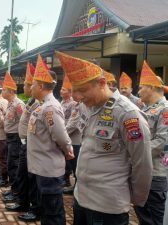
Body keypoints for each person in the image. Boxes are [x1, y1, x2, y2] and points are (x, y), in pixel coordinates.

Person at [56, 51, 153, 225]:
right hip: (82, 198)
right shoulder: (86, 106)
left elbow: (142, 163)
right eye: (74, 91)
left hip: (107, 206)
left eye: (82, 90)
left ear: (102, 83)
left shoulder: (127, 114)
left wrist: (133, 198)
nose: (76, 97)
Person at [20, 55, 74, 224]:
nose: (31, 88)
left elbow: (60, 136)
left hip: (49, 168)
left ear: (41, 86)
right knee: (47, 210)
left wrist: (68, 150)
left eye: (33, 85)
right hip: (41, 167)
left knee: (53, 212)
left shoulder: (50, 107)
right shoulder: (42, 105)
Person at [135, 60, 168, 225]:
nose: (138, 91)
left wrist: (137, 154)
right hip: (143, 169)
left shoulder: (165, 109)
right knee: (143, 214)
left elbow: (162, 141)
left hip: (156, 171)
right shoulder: (146, 109)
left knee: (154, 218)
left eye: (141, 87)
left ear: (153, 87)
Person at [6, 61, 38, 213]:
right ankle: (22, 200)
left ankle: (27, 203)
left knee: (27, 176)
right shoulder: (31, 102)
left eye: (26, 84)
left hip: (30, 144)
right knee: (21, 174)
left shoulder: (38, 104)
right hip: (25, 143)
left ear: (33, 86)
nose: (23, 87)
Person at [0, 71, 25, 203]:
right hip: (9, 137)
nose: (1, 92)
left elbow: (23, 122)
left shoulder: (18, 104)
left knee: (13, 165)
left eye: (3, 89)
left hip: (15, 138)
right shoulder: (10, 104)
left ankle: (16, 192)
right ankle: (13, 189)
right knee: (10, 165)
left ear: (10, 90)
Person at [60, 75, 77, 188]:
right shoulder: (61, 103)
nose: (61, 91)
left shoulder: (73, 104)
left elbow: (72, 123)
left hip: (73, 138)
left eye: (63, 89)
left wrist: (62, 133)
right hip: (64, 135)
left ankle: (74, 185)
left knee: (73, 164)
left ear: (70, 92)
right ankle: (65, 180)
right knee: (65, 161)